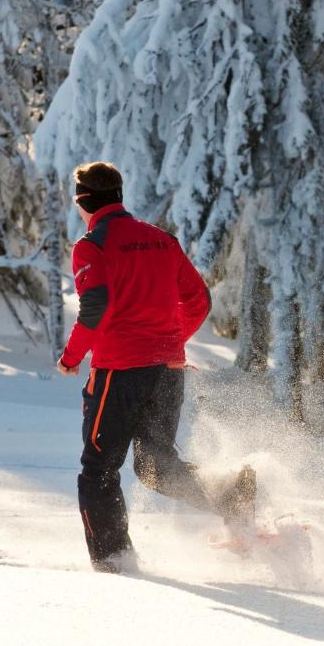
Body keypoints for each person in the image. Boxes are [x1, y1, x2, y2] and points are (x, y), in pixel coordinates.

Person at [56, 161, 254, 573]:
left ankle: (113, 563)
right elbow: (198, 299)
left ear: (83, 201)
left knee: (98, 471)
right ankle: (230, 493)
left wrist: (72, 357)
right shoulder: (161, 240)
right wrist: (168, 342)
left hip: (118, 373)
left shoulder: (91, 245)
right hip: (168, 369)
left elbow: (94, 306)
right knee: (155, 465)